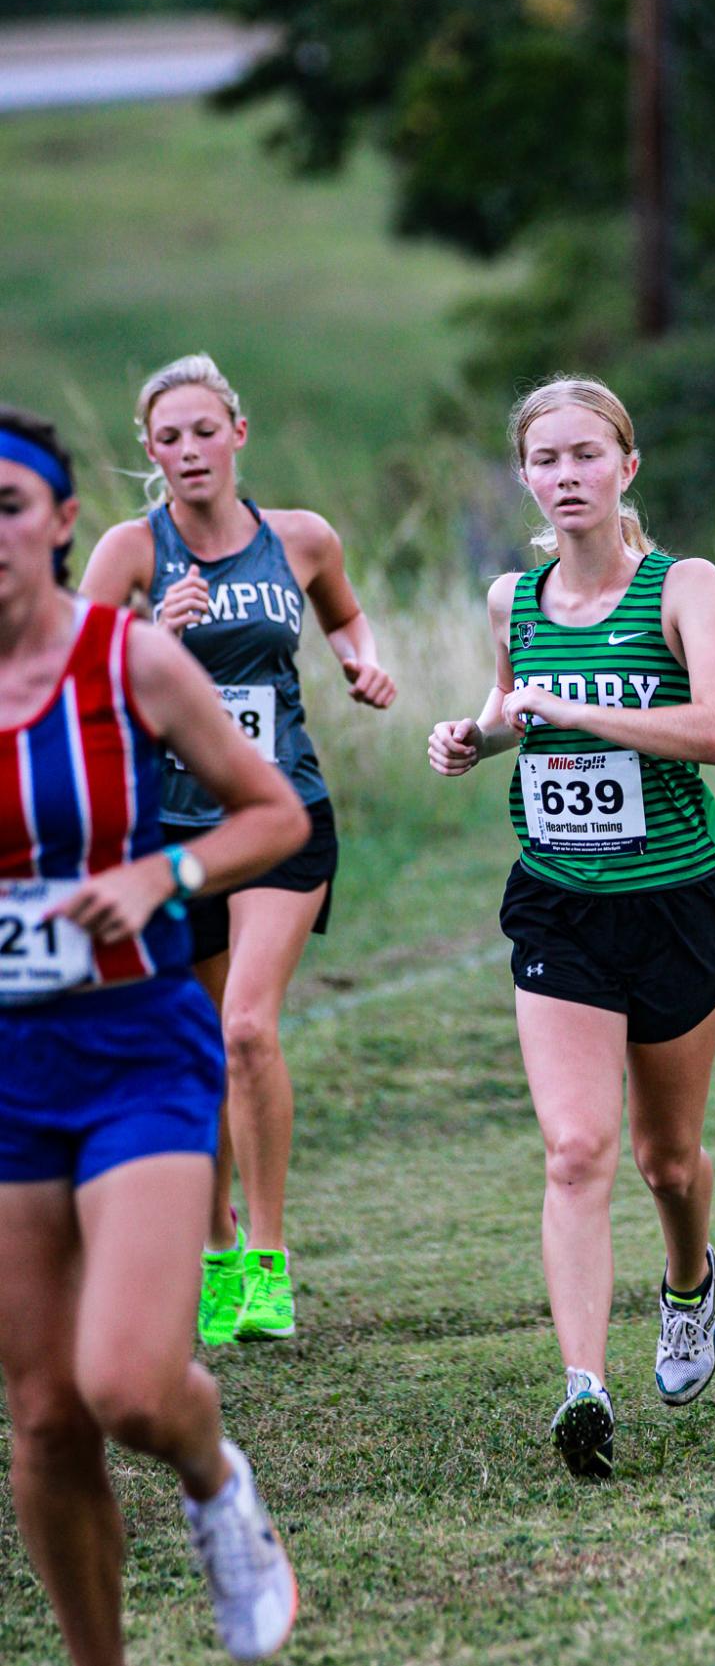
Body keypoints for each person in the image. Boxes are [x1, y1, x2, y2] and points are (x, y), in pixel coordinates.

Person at [0, 405, 309, 1663]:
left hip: (134, 1045)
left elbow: (273, 816)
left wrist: (162, 879)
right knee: (45, 1418)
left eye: (6, 509)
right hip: (8, 1072)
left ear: (63, 522)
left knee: (125, 1387)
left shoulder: (124, 660)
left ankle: (212, 1475)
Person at [427, 377, 715, 1478]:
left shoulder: (679, 586)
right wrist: (476, 738)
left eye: (584, 456)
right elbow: (518, 709)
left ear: (626, 467)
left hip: (671, 902)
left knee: (665, 1161)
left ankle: (689, 1285)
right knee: (574, 1152)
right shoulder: (508, 599)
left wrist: (569, 712)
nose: (565, 476)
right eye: (544, 460)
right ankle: (583, 1389)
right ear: (523, 476)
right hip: (557, 900)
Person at [81, 354, 396, 1348]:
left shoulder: (299, 538)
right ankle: (215, 1253)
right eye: (168, 438)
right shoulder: (132, 553)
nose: (188, 451)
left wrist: (361, 662)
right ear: (150, 452)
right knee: (201, 1045)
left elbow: (344, 615)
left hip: (280, 818)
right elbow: (76, 683)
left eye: (203, 431)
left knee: (250, 1030)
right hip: (171, 836)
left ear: (237, 434)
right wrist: (142, 634)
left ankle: (265, 1261)